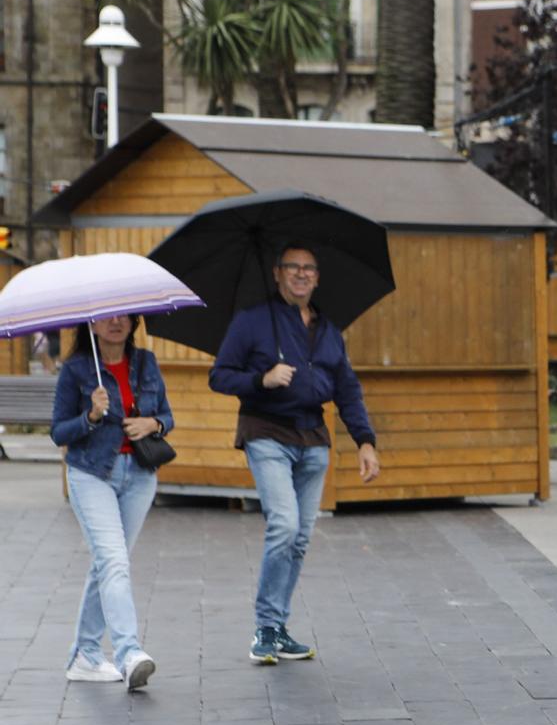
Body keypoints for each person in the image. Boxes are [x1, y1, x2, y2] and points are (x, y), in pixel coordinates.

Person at [208, 245, 380, 665]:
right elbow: (219, 376)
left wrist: (365, 441)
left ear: (317, 278)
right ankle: (265, 626)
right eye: (293, 267)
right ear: (277, 274)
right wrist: (261, 379)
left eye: (309, 269)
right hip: (266, 434)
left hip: (313, 441)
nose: (301, 274)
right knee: (283, 526)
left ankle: (279, 627)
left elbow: (348, 389)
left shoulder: (328, 331)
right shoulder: (252, 322)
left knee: (300, 539)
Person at [50, 315, 173, 691]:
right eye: (107, 317)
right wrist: (91, 416)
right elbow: (58, 432)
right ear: (91, 325)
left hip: (139, 474)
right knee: (114, 562)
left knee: (108, 564)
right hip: (91, 474)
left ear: (135, 322)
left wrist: (153, 425)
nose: (116, 323)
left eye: (124, 316)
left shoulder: (146, 363)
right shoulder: (76, 370)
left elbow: (166, 415)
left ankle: (85, 655)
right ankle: (129, 651)